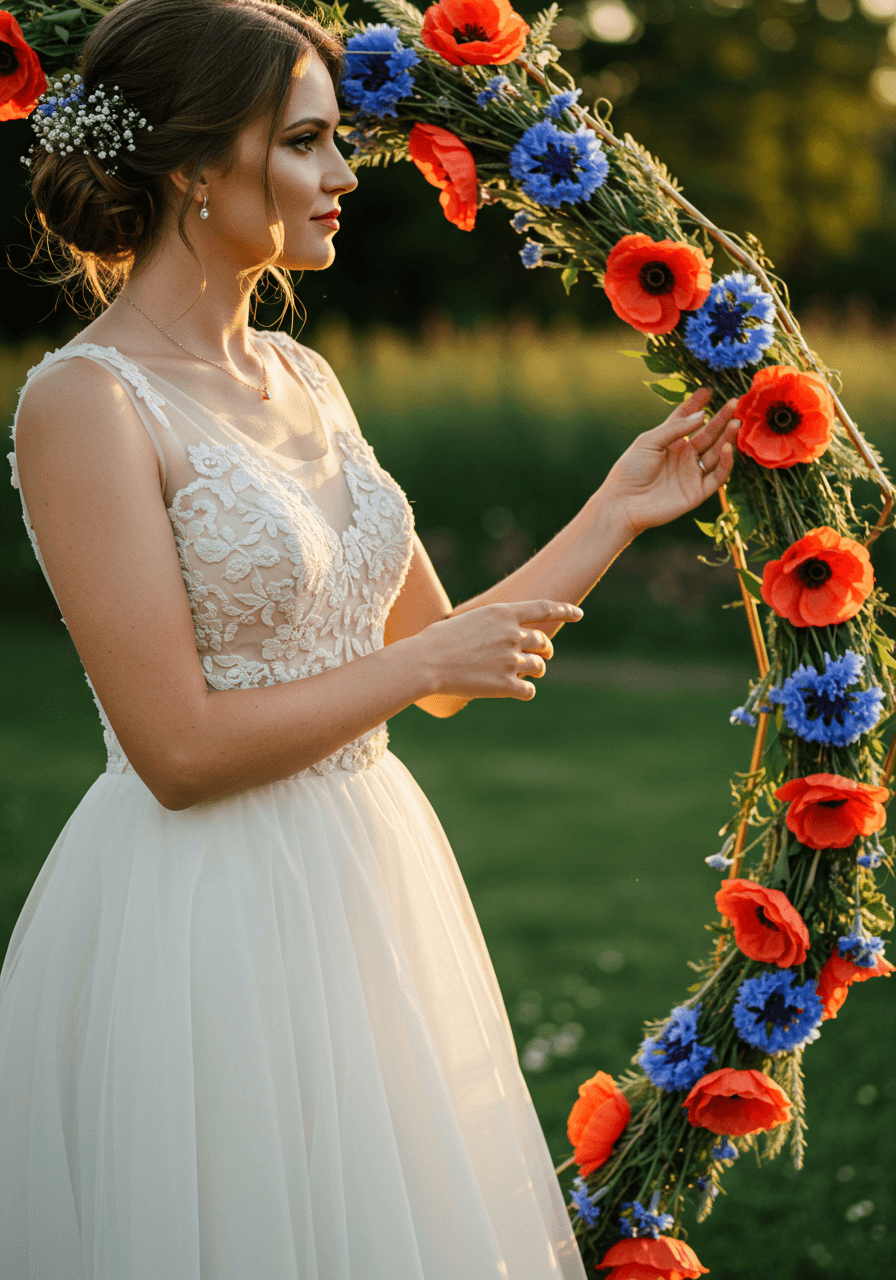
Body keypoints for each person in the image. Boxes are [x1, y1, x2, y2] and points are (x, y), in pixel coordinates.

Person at [0, 1, 739, 1275]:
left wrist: (615, 508)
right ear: (193, 169)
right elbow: (174, 746)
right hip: (198, 907)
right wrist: (415, 671)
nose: (344, 175)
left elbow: (441, 655)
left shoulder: (306, 375)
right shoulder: (83, 400)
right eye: (306, 142)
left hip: (366, 872)